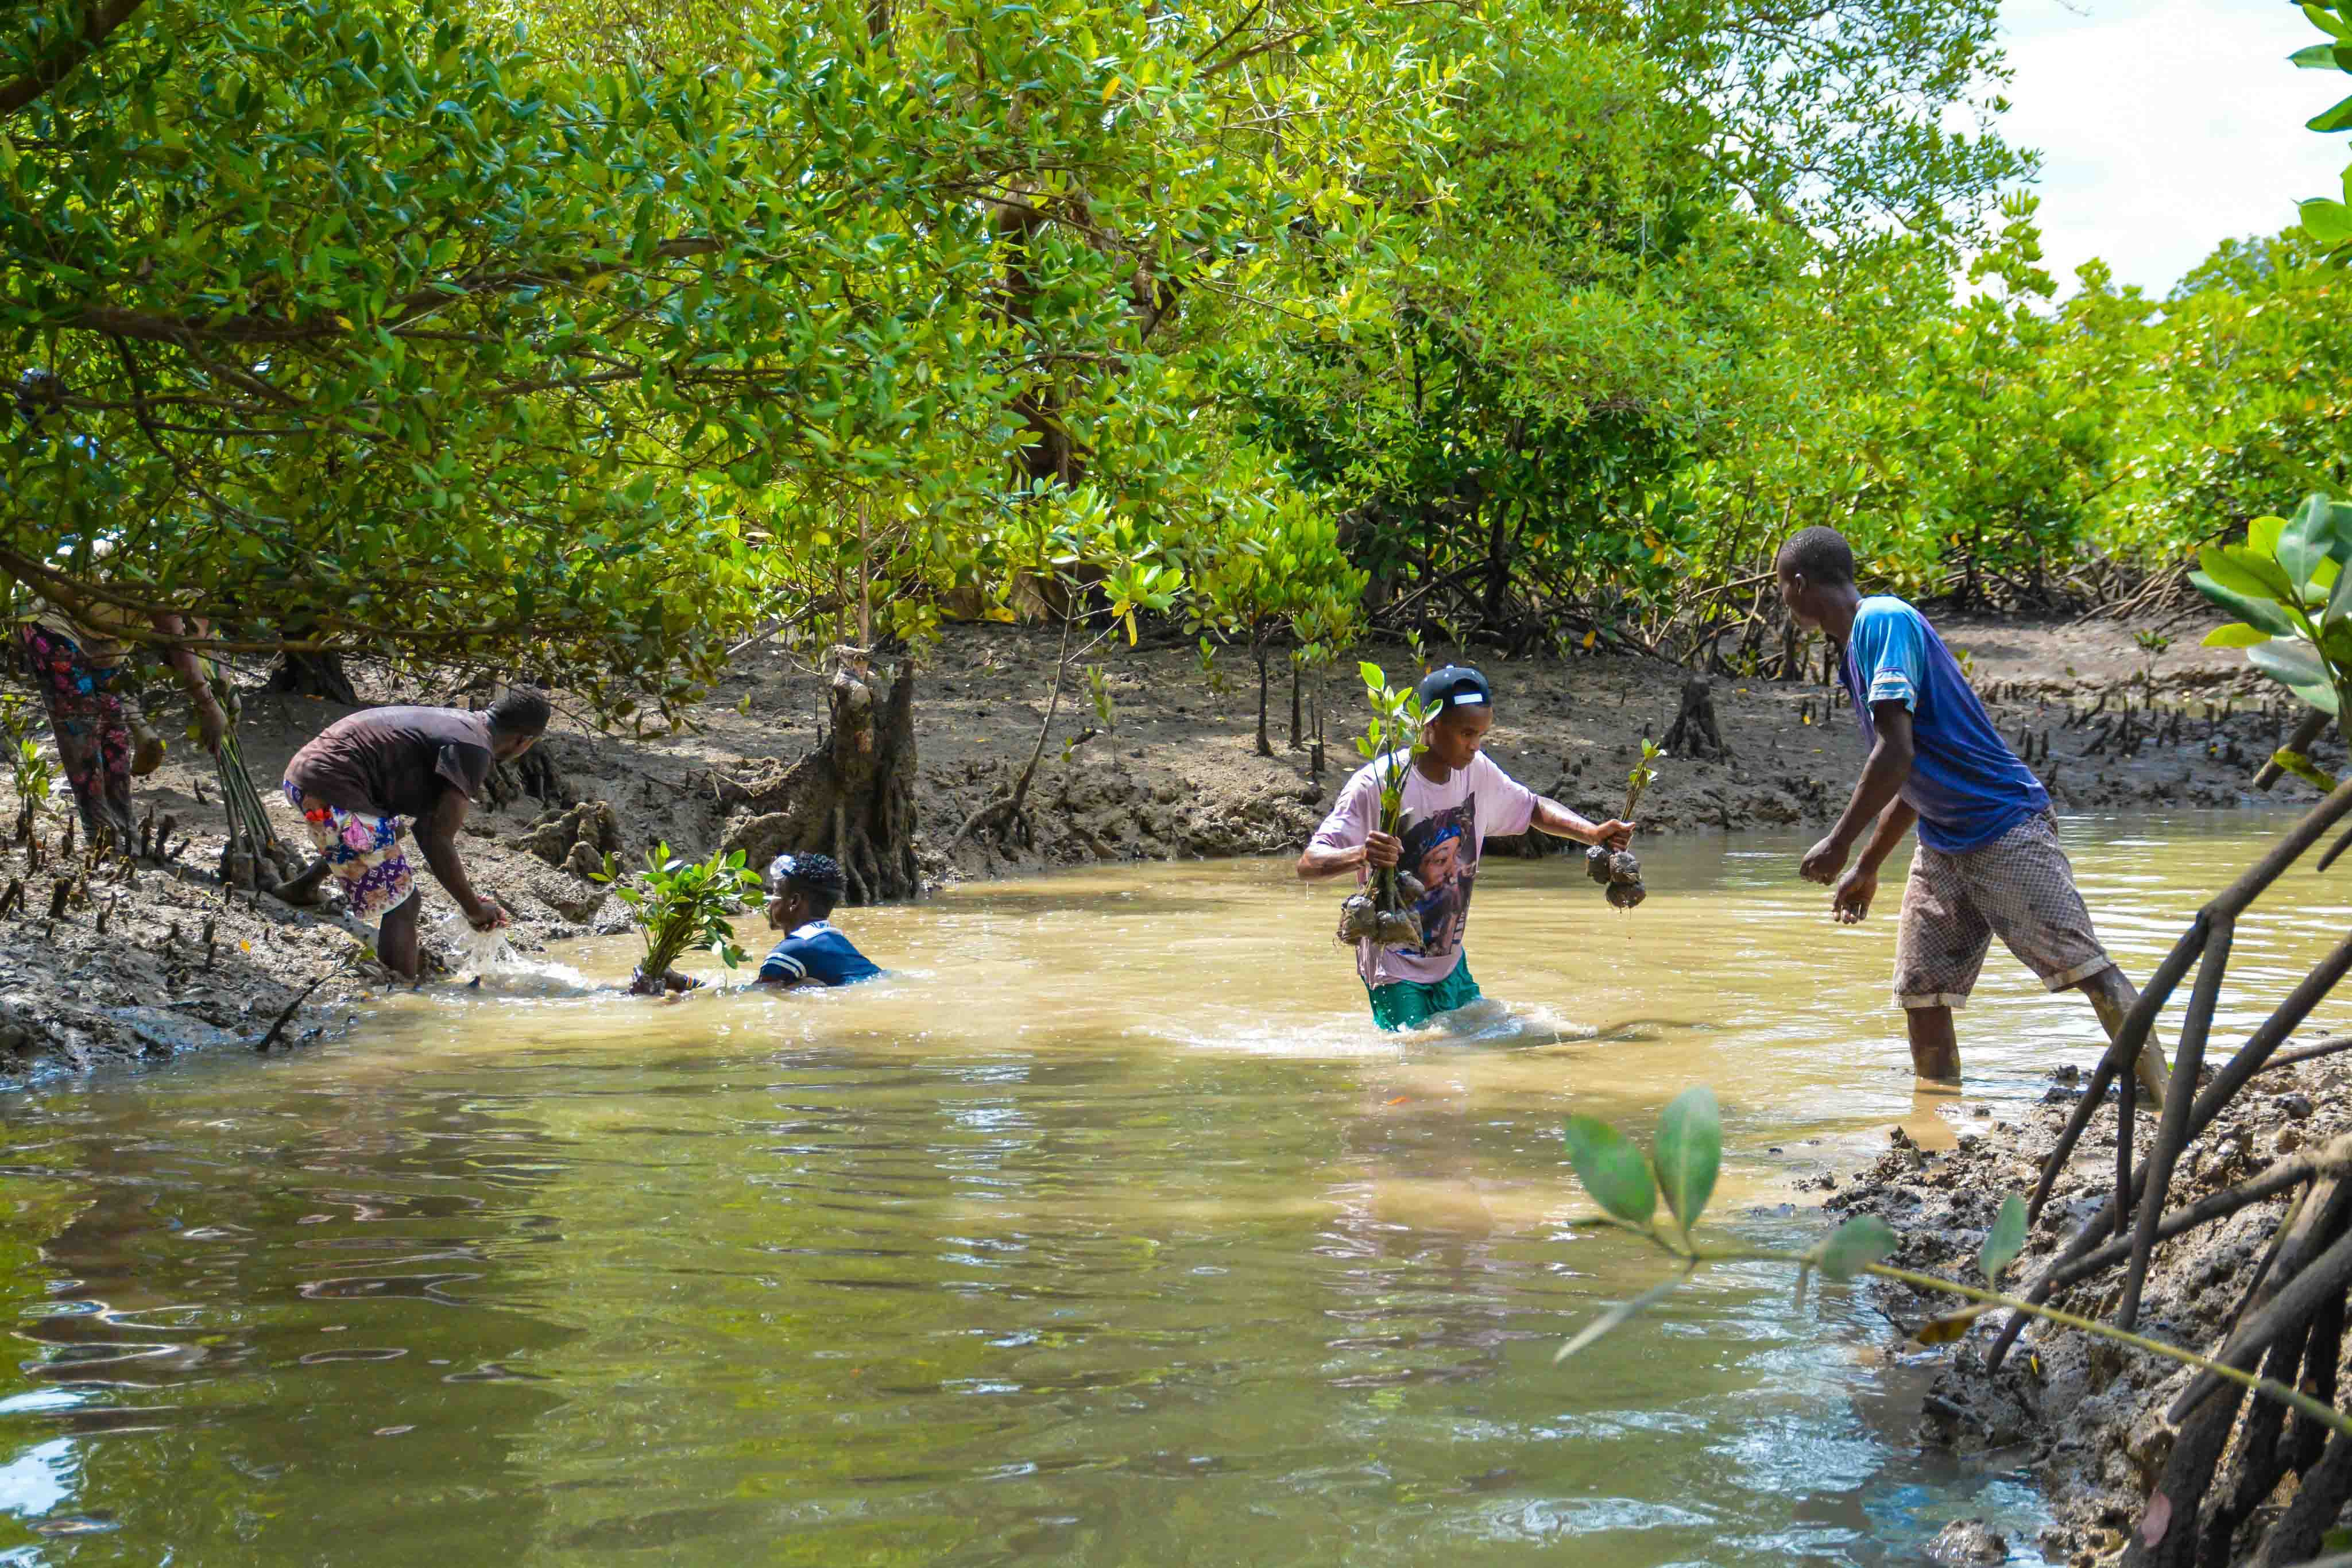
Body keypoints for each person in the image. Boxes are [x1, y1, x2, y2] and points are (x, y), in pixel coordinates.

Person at [1775, 525, 2170, 1104]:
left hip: (2004, 823)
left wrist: (1837, 842)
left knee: (2084, 966)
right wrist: (1866, 865)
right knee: (1922, 992)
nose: (1783, 600)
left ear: (1800, 583)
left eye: (1781, 588)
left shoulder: (1882, 620)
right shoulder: (1853, 652)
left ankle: (2168, 1096)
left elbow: (1895, 753)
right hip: (1943, 839)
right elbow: (1911, 777)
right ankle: (1934, 1120)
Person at [1298, 665, 1636, 1030]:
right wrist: (1360, 855)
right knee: (1410, 1063)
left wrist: (1592, 833)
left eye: (1481, 734)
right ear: (1429, 726)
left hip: (1449, 961)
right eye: (1466, 733)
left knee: (1474, 1056)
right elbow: (1308, 864)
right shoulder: (1376, 785)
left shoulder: (1477, 772)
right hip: (1393, 966)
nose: (1475, 745)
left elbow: (1532, 807)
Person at [274, 690, 551, 979]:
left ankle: (303, 889)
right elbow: (434, 836)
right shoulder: (475, 748)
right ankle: (400, 998)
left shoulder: (465, 725)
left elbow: (424, 824)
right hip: (330, 797)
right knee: (404, 902)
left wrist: (471, 900)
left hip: (301, 778)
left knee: (390, 830)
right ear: (524, 741)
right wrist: (473, 908)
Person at [9, 583, 227, 848]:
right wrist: (209, 705)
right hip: (55, 625)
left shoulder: (203, 581)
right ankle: (101, 835)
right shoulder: (166, 578)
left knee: (115, 736)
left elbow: (204, 646)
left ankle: (125, 828)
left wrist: (226, 697)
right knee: (82, 733)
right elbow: (179, 646)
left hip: (104, 638)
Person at [753, 852, 880, 988]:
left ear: (794, 902)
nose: (770, 903)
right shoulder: (838, 941)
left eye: (775, 893)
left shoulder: (788, 952)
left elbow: (758, 995)